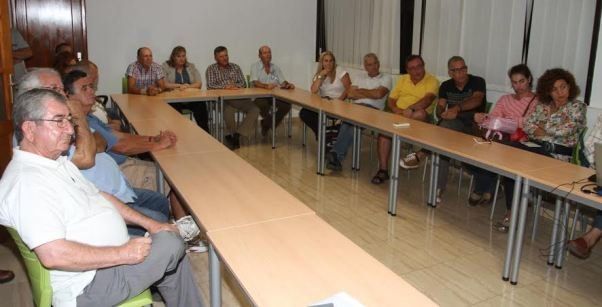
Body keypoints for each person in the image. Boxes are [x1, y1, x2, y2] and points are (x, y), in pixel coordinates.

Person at [0, 89, 203, 306]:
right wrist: (123, 253)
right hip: (87, 284)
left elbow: (101, 196)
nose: (69, 129)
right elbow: (53, 255)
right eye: (59, 121)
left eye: (69, 120)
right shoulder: (26, 182)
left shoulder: (55, 163)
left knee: (167, 239)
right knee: (171, 243)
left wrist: (151, 224)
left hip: (105, 261)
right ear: (29, 129)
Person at [494, 68, 586, 232]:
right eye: (554, 89)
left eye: (563, 87)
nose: (560, 92)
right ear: (547, 91)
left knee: (516, 159)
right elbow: (528, 125)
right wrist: (543, 128)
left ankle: (516, 208)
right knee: (509, 154)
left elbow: (567, 130)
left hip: (556, 155)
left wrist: (543, 127)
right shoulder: (542, 106)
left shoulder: (577, 107)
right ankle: (513, 208)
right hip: (534, 147)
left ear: (570, 86)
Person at [418, 56, 486, 203]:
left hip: (474, 127)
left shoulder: (478, 81)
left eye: (463, 69)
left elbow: (477, 100)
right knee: (443, 136)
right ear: (450, 73)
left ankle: (423, 152)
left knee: (442, 134)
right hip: (454, 126)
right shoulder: (446, 86)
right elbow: (441, 105)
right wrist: (441, 111)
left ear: (466, 69)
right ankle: (438, 187)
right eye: (456, 70)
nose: (460, 73)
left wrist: (456, 108)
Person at [468, 64, 538, 206]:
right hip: (501, 138)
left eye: (522, 81)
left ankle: (483, 188)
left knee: (491, 150)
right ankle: (489, 186)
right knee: (472, 150)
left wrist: (506, 121)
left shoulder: (537, 101)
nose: (518, 86)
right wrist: (483, 117)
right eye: (514, 82)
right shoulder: (505, 99)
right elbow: (494, 118)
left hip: (520, 141)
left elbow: (530, 122)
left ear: (529, 79)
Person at [371, 55, 438, 184]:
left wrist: (410, 109)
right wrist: (396, 110)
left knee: (420, 113)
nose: (416, 70)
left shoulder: (432, 80)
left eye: (419, 66)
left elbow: (427, 100)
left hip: (420, 120)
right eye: (412, 68)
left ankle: (400, 136)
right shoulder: (403, 79)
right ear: (407, 70)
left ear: (424, 66)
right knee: (384, 134)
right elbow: (391, 99)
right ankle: (383, 170)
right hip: (400, 114)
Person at [326, 53, 391, 171]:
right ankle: (336, 156)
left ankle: (336, 154)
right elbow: (350, 94)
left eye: (375, 63)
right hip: (356, 107)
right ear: (365, 66)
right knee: (347, 122)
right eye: (370, 65)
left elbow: (379, 94)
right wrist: (370, 92)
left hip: (374, 110)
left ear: (378, 64)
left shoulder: (386, 78)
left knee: (352, 124)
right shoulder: (360, 76)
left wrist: (360, 91)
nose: (374, 67)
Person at [206, 46, 259, 149]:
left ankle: (236, 135)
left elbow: (243, 83)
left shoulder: (235, 67)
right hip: (222, 100)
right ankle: (233, 136)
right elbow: (210, 85)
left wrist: (235, 87)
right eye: (221, 56)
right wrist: (226, 87)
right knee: (228, 112)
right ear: (215, 58)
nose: (225, 58)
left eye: (226, 55)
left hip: (238, 98)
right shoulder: (211, 69)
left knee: (255, 109)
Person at [299, 51, 351, 139]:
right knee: (304, 113)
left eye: (331, 61)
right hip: (324, 103)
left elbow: (349, 89)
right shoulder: (320, 74)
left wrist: (339, 100)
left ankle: (324, 136)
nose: (329, 63)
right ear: (322, 63)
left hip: (338, 103)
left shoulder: (340, 71)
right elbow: (313, 90)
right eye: (326, 61)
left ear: (334, 62)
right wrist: (321, 76)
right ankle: (322, 134)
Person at [162, 46, 209, 132]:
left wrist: (188, 86)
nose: (181, 59)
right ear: (173, 57)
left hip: (190, 98)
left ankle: (206, 133)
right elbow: (164, 84)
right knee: (173, 109)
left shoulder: (190, 66)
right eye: (178, 56)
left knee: (201, 105)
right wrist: (179, 86)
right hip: (173, 99)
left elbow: (199, 83)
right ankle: (178, 133)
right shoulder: (166, 66)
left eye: (183, 56)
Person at [250, 45, 294, 136]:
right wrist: (266, 86)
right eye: (265, 53)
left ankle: (266, 124)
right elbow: (255, 82)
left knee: (286, 105)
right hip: (259, 97)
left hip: (274, 96)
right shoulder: (255, 66)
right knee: (263, 105)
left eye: (269, 52)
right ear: (259, 55)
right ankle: (269, 123)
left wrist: (288, 84)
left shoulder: (275, 67)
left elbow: (282, 81)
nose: (268, 55)